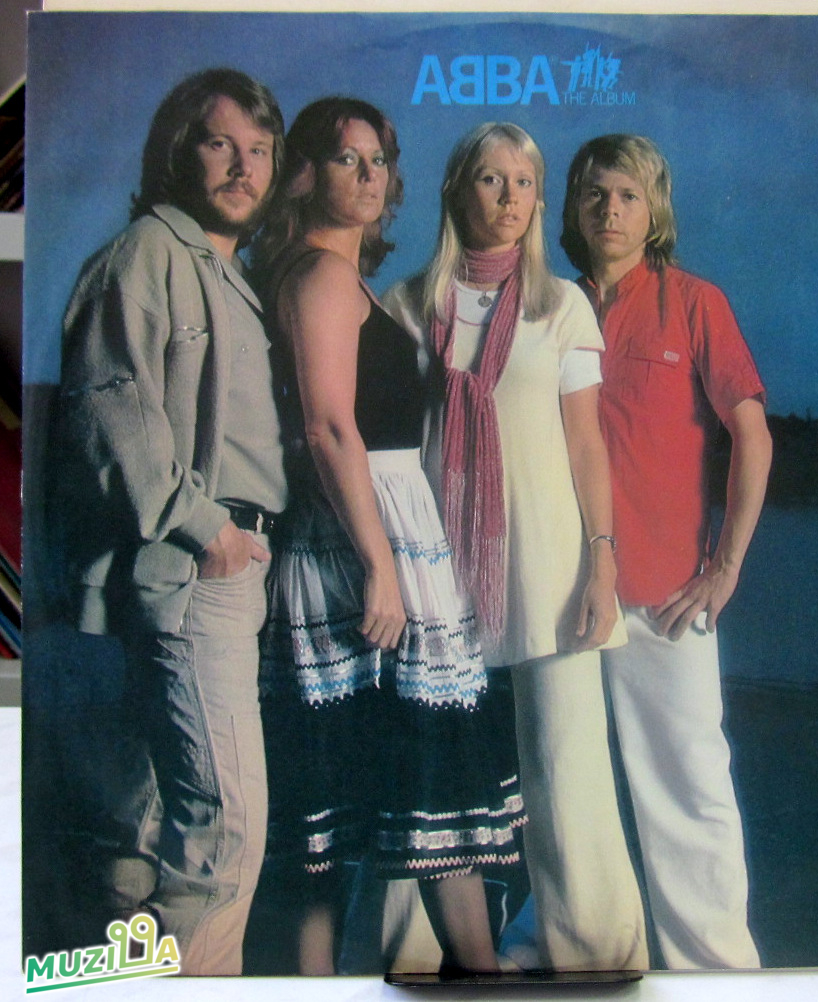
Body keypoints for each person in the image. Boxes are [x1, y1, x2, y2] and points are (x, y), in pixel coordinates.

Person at [252, 97, 526, 977]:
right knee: (339, 825)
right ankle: (459, 974)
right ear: (305, 174)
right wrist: (379, 567)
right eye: (347, 159)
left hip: (390, 537)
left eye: (380, 161)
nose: (370, 177)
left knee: (420, 800)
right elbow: (329, 427)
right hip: (359, 548)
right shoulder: (320, 278)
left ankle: (476, 974)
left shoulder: (342, 276)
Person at [383, 122, 647, 973]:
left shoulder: (558, 305)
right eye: (490, 179)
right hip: (433, 568)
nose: (508, 197)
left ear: (537, 201)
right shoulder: (404, 306)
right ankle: (410, 958)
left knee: (566, 768)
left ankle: (592, 955)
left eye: (523, 182)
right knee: (425, 771)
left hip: (548, 562)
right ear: (457, 190)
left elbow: (586, 445)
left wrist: (602, 559)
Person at [56, 67, 287, 975]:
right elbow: (110, 406)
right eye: (221, 142)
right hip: (192, 567)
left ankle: (116, 981)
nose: (243, 166)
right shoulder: (146, 252)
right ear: (178, 150)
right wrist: (207, 530)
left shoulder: (225, 273)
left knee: (146, 832)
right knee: (224, 831)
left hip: (227, 566)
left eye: (260, 150)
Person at [560, 133, 772, 970]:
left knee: (690, 790)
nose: (609, 210)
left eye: (627, 195)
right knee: (563, 792)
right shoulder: (551, 307)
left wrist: (725, 568)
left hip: (666, 594)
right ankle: (571, 958)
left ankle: (717, 973)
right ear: (573, 209)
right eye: (594, 194)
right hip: (563, 592)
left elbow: (752, 436)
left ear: (655, 212)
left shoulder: (693, 302)